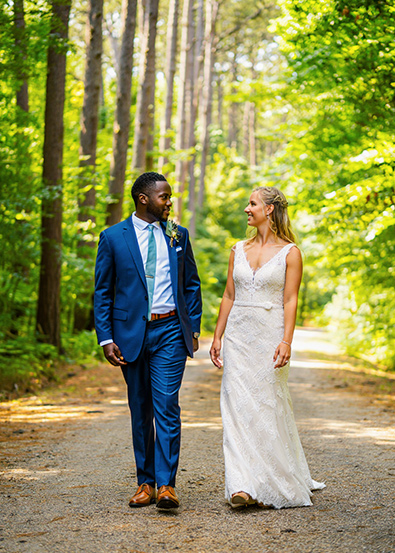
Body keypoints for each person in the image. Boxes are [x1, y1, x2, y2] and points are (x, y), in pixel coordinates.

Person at [210, 186, 325, 509]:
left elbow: (290, 300)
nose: (247, 209)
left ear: (270, 209)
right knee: (235, 407)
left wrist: (286, 340)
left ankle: (271, 477)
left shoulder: (291, 253)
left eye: (252, 204)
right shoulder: (238, 248)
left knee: (267, 405)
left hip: (270, 334)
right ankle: (241, 484)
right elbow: (229, 295)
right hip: (238, 336)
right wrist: (217, 336)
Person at [94, 172, 202, 509]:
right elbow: (103, 291)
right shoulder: (113, 237)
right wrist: (106, 337)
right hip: (130, 335)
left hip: (170, 329)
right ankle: (146, 482)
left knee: (166, 405)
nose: (169, 203)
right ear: (144, 199)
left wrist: (193, 327)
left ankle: (167, 485)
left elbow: (192, 284)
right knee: (140, 409)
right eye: (164, 197)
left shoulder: (176, 234)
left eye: (169, 197)